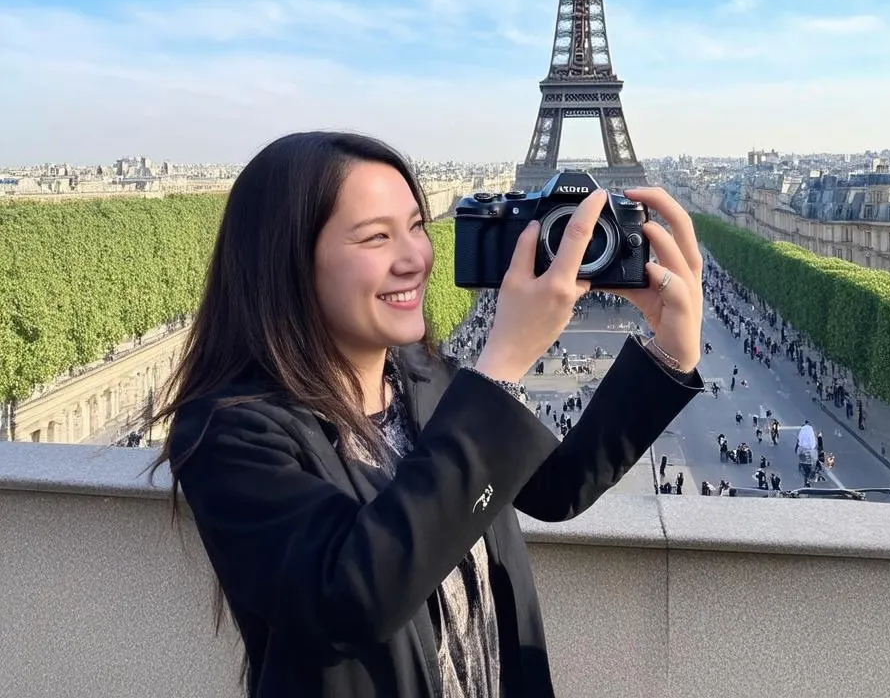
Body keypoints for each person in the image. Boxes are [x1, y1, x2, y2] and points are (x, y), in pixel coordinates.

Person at [147, 131, 706, 698]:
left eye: (417, 226)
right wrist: (504, 360)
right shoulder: (228, 432)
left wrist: (669, 356)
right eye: (376, 238)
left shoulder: (425, 375)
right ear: (286, 262)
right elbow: (354, 598)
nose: (416, 258)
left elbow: (552, 489)